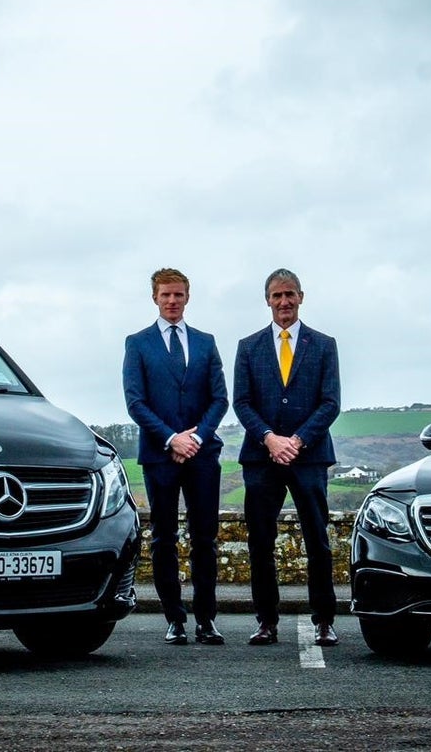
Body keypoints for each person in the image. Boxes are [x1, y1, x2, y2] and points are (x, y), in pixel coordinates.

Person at [232, 268, 341, 647]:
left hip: (308, 458)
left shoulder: (324, 345)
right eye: (277, 296)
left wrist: (296, 441)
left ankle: (325, 621)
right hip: (261, 460)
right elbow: (241, 403)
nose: (284, 302)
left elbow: (331, 403)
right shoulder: (248, 347)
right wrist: (269, 439)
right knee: (260, 542)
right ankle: (266, 622)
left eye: (290, 294)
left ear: (301, 297)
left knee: (318, 541)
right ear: (267, 300)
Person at [123, 267, 230, 645]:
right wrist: (171, 438)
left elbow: (220, 398)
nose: (172, 301)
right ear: (155, 297)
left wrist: (196, 437)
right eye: (166, 295)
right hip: (159, 455)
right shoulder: (137, 343)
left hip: (201, 455)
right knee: (164, 539)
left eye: (179, 295)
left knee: (205, 538)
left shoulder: (205, 342)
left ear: (188, 297)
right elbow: (136, 402)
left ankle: (206, 619)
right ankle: (175, 619)